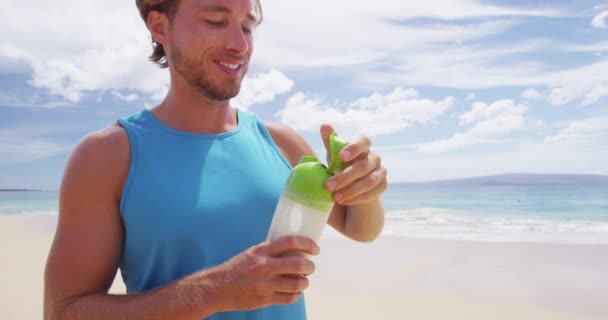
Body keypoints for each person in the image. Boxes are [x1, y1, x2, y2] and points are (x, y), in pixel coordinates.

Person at [43, 0, 387, 319]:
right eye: (216, 21)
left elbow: (361, 228)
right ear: (160, 27)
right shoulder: (107, 156)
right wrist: (210, 292)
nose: (240, 45)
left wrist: (365, 192)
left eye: (248, 27)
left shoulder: (282, 143)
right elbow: (65, 311)